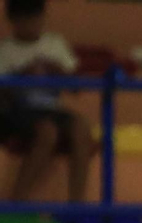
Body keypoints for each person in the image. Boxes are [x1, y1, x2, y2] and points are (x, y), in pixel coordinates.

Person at [0, 0, 95, 203]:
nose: (31, 26)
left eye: (35, 20)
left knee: (81, 128)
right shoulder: (4, 50)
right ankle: (18, 201)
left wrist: (58, 72)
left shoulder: (55, 44)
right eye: (25, 21)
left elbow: (76, 87)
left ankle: (76, 206)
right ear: (13, 22)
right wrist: (21, 76)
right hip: (17, 112)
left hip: (51, 109)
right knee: (47, 131)